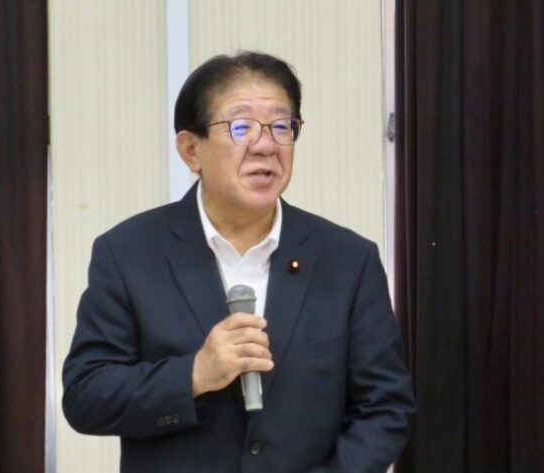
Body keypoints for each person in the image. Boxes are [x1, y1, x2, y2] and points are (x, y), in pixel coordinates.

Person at [62, 51, 415, 473]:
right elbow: (86, 397)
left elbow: (385, 407)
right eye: (241, 126)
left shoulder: (348, 260)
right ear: (191, 149)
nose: (266, 145)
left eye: (281, 126)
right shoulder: (128, 252)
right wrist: (195, 373)